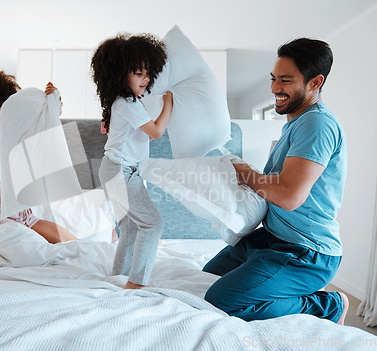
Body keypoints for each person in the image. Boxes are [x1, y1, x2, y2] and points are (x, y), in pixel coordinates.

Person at [202, 38, 349, 324]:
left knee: (222, 302)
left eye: (285, 80)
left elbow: (289, 195)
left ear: (315, 82)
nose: (274, 88)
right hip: (272, 237)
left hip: (305, 250)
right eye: (273, 78)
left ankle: (328, 305)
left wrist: (243, 172)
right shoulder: (296, 122)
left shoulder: (317, 124)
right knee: (205, 277)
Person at [91, 34, 173, 289]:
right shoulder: (127, 103)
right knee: (152, 223)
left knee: (130, 228)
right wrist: (169, 101)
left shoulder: (124, 102)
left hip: (114, 169)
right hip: (121, 171)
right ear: (120, 74)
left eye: (148, 73)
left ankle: (119, 277)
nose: (146, 79)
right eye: (139, 73)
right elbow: (157, 132)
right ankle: (137, 283)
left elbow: (141, 138)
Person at [0, 67, 77, 244]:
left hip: (25, 215)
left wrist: (53, 104)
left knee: (74, 245)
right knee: (29, 250)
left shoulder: (20, 138)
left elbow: (44, 130)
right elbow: (10, 169)